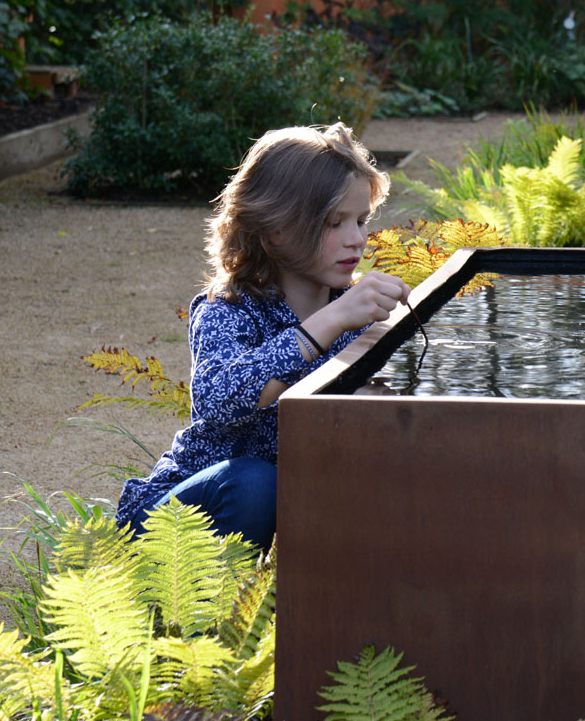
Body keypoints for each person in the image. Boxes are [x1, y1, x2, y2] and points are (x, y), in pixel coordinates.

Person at [115, 123, 411, 549]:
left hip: (288, 513)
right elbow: (219, 400)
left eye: (361, 220)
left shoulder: (360, 318)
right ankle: (219, 616)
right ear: (276, 229)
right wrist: (327, 323)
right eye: (334, 223)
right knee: (254, 480)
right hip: (179, 523)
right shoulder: (230, 308)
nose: (357, 239)